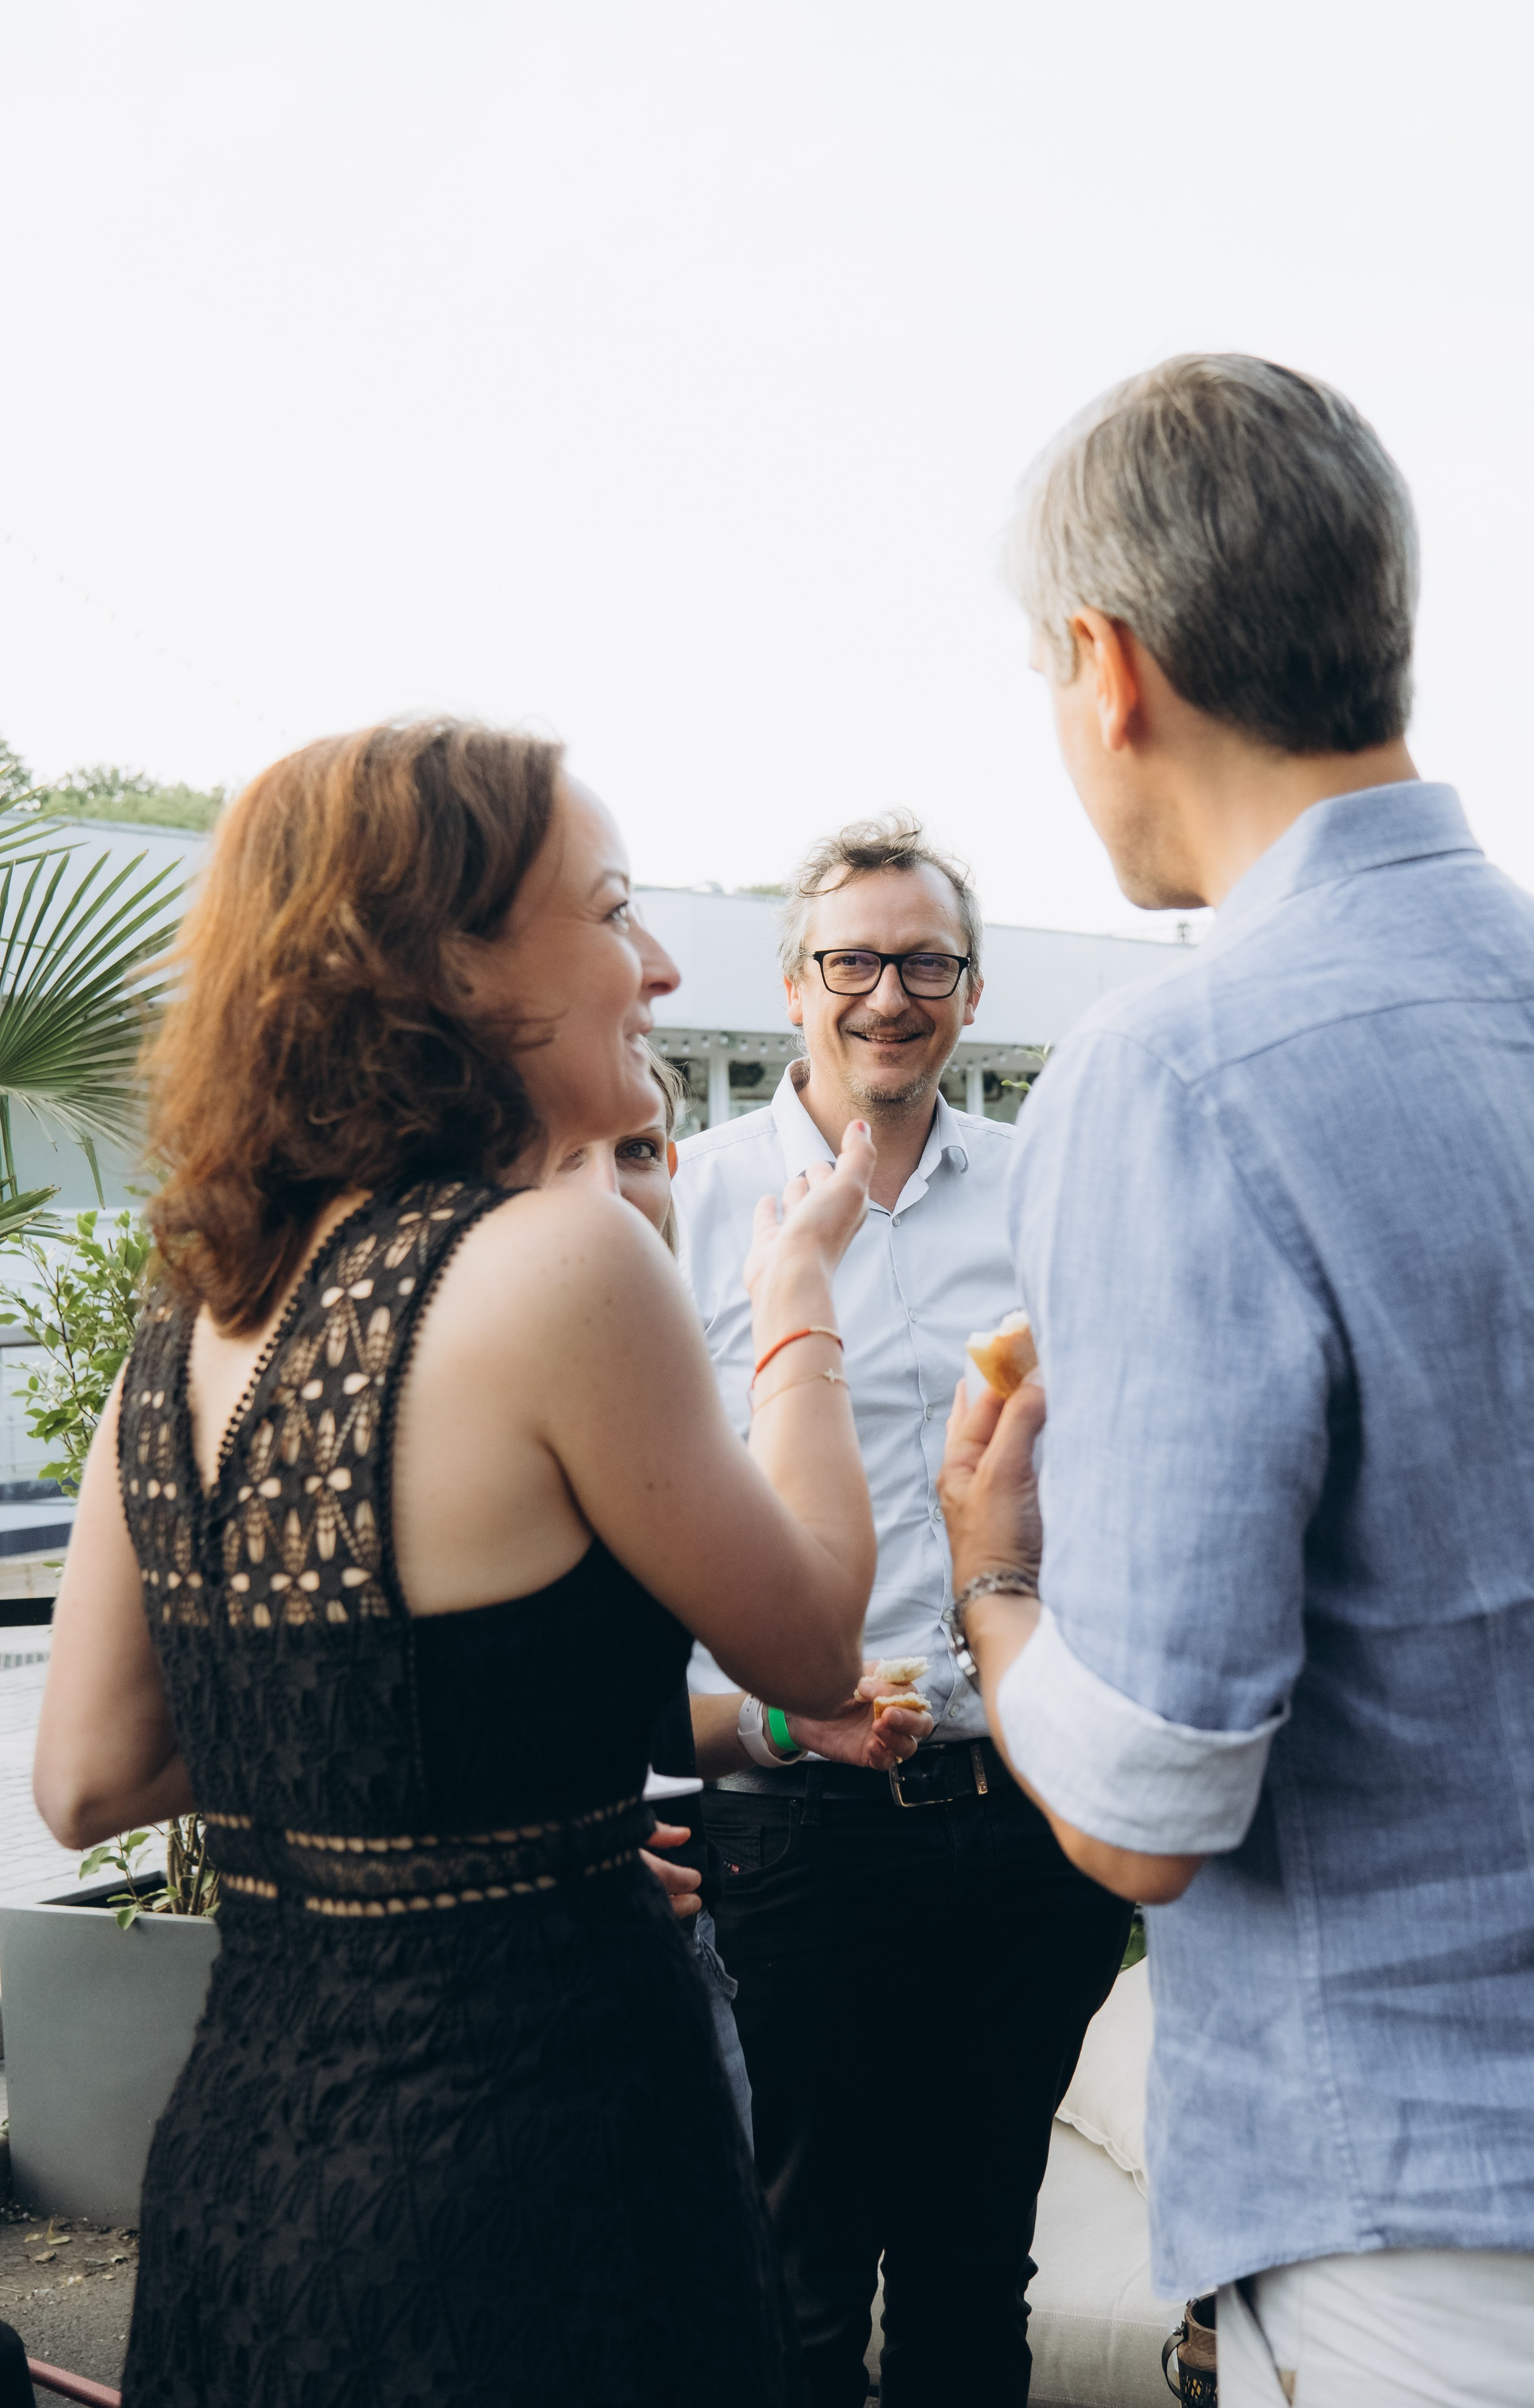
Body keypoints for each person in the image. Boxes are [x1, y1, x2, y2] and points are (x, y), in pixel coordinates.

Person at [33, 720, 881, 2406]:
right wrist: (797, 1305)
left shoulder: (191, 1318)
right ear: (445, 965)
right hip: (541, 2178)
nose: (659, 966)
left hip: (250, 2179)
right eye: (614, 908)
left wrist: (457, 1810)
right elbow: (812, 1644)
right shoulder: (564, 1255)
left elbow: (87, 1778)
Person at [938, 354, 1534, 2405]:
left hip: (1430, 2229)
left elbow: (1151, 1803)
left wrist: (999, 1578)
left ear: (1107, 665)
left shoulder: (1176, 1071)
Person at [673, 818, 1132, 2408]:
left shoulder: (1047, 1193)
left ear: (972, 989)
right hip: (791, 1820)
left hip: (1018, 1810)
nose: (889, 994)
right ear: (793, 986)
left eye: (924, 962)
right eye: (853, 961)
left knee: (973, 2268)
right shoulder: (690, 1202)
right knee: (794, 2278)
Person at [552, 1051, 755, 2147]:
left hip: (678, 1950)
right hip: (524, 1986)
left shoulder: (635, 1393)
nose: (606, 1188)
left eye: (634, 1150)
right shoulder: (448, 1407)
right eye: (561, 1153)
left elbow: (634, 1727)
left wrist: (782, 1726)